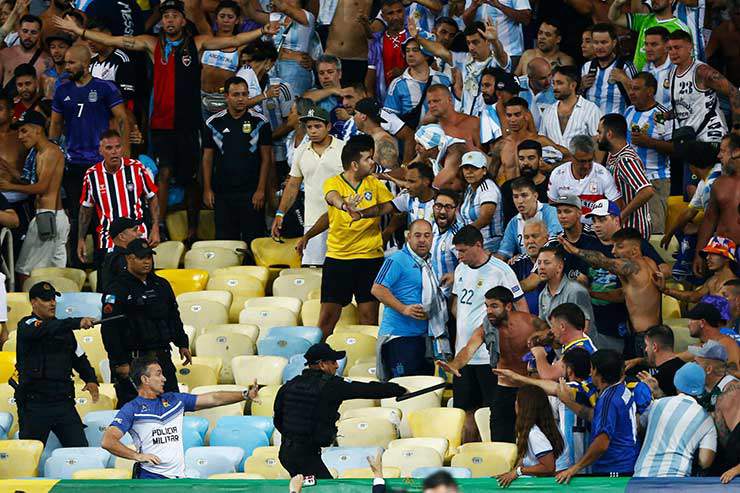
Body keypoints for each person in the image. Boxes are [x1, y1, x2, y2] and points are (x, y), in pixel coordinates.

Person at [54, 0, 278, 243]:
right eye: (166, 16)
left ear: (183, 20)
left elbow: (233, 42)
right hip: (161, 123)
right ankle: (157, 226)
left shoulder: (197, 42)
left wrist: (262, 31)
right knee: (163, 173)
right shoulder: (152, 44)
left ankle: (192, 230)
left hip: (190, 122)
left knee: (191, 178)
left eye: (174, 16)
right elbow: (115, 40)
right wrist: (79, 32)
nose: (169, 20)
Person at [102, 357, 260, 479]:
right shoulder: (132, 409)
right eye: (158, 374)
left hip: (178, 478)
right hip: (150, 480)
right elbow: (108, 441)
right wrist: (137, 456)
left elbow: (214, 398)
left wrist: (245, 394)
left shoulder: (175, 400)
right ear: (145, 380)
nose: (164, 378)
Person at [274, 342, 407, 478]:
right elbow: (367, 390)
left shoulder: (289, 385)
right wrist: (399, 389)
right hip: (306, 454)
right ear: (322, 365)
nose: (337, 365)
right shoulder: (331, 385)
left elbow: (278, 419)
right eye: (333, 362)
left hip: (286, 452)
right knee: (326, 489)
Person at [308, 135, 394, 337]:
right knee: (327, 318)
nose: (373, 162)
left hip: (370, 258)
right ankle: (319, 361)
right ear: (354, 165)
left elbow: (392, 207)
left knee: (368, 317)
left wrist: (387, 231)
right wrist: (346, 206)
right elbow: (332, 200)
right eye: (368, 159)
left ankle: (368, 363)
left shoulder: (374, 183)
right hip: (338, 259)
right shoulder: (333, 183)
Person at [449, 226, 527, 442]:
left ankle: (497, 457)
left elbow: (520, 306)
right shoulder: (460, 270)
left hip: (491, 358)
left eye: (463, 251)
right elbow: (457, 307)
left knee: (493, 412)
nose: (459, 256)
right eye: (457, 251)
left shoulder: (500, 271)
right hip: (464, 357)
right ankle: (473, 461)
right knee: (465, 412)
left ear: (478, 245)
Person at [437, 286, 542, 443]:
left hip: (528, 386)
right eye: (486, 306)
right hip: (503, 388)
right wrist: (455, 364)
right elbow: (468, 349)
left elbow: (553, 337)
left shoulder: (530, 322)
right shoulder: (485, 328)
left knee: (533, 439)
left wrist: (539, 348)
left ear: (508, 306)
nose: (488, 311)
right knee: (500, 441)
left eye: (494, 306)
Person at [101, 239, 192, 407]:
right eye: (142, 258)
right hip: (134, 359)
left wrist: (182, 343)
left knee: (171, 405)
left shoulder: (161, 285)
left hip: (162, 356)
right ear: (129, 258)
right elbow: (110, 329)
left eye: (149, 257)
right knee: (136, 410)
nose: (147, 262)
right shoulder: (117, 288)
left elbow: (173, 316)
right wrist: (120, 362)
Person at [15, 281, 98, 447]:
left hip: (63, 403)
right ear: (33, 302)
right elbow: (45, 328)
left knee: (80, 450)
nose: (52, 303)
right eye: (46, 300)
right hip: (35, 405)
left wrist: (90, 379)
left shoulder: (63, 330)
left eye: (53, 299)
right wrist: (77, 322)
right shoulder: (26, 325)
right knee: (30, 453)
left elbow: (79, 356)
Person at [560, 226, 661, 357]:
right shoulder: (649, 263)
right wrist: (591, 293)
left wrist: (575, 251)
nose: (613, 251)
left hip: (644, 338)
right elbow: (623, 294)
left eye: (619, 247)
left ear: (635, 250)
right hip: (645, 335)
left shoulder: (634, 267)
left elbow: (602, 261)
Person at [494, 348, 597, 471]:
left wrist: (516, 377)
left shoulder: (569, 389)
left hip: (571, 459)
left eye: (562, 366)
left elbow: (552, 388)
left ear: (569, 370)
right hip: (587, 455)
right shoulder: (592, 389)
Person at [203, 76, 272, 244]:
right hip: (223, 193)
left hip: (251, 194)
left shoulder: (260, 122)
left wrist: (261, 190)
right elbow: (207, 159)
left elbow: (266, 159)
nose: (241, 98)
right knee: (226, 244)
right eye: (236, 94)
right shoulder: (213, 123)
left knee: (253, 242)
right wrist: (207, 189)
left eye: (244, 94)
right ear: (226, 96)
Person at [273, 106, 344, 266]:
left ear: (328, 127)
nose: (312, 131)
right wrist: (280, 213)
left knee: (339, 269)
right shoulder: (301, 151)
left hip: (342, 221)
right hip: (312, 221)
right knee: (313, 270)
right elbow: (292, 186)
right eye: (309, 127)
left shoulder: (344, 149)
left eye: (317, 126)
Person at [2, 111, 67, 285]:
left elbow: (42, 187)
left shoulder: (51, 152)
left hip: (49, 217)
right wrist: (6, 166)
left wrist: (10, 187)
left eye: (24, 131)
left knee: (25, 271)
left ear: (37, 130)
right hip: (45, 216)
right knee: (52, 274)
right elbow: (27, 181)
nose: (20, 137)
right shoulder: (39, 154)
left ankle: (31, 308)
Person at [555, 349, 639, 483]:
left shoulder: (608, 400)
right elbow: (595, 416)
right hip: (627, 466)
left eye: (592, 368)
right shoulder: (621, 390)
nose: (590, 372)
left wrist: (575, 467)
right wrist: (568, 402)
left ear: (597, 372)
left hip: (613, 471)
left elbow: (602, 443)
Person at [77, 130, 158, 267]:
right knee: (109, 284)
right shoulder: (91, 175)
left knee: (141, 279)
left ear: (122, 148)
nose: (114, 152)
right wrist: (81, 238)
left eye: (118, 147)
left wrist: (155, 227)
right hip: (107, 239)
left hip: (138, 235)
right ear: (100, 150)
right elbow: (86, 210)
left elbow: (152, 197)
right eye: (109, 148)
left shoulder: (136, 168)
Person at [372, 219, 439, 379]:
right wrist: (404, 308)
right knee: (404, 390)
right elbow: (377, 289)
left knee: (424, 390)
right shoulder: (397, 259)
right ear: (408, 237)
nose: (422, 240)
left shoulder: (431, 261)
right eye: (417, 235)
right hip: (399, 337)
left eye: (427, 235)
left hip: (423, 337)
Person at [634, 362, 717, 477]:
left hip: (641, 477)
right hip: (677, 482)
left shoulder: (656, 405)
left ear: (676, 383)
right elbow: (705, 461)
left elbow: (638, 428)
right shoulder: (706, 420)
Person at [411, 19, 509, 115]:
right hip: (467, 121)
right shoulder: (463, 60)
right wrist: (417, 37)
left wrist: (495, 41)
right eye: (468, 43)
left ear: (487, 41)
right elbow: (440, 51)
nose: (471, 47)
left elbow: (501, 56)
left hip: (490, 122)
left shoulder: (496, 62)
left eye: (475, 42)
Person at [667, 29, 735, 145]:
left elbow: (734, 92)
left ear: (690, 48)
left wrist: (737, 127)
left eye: (677, 47)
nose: (673, 52)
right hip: (691, 138)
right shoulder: (672, 73)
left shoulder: (702, 71)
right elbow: (687, 108)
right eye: (670, 48)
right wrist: (666, 115)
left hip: (711, 134)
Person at [624, 72, 673, 234]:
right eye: (630, 88)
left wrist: (648, 142)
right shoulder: (629, 111)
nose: (631, 92)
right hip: (631, 181)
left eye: (636, 89)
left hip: (655, 180)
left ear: (650, 91)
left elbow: (674, 148)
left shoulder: (661, 115)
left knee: (654, 230)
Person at [496, 385, 567, 487]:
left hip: (550, 485)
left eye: (517, 400)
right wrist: (511, 472)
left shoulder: (535, 434)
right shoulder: (531, 429)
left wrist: (518, 472)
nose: (515, 403)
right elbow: (525, 459)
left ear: (524, 406)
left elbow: (548, 467)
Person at [597, 113, 655, 239]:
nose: (597, 137)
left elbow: (647, 191)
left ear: (609, 134)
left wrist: (622, 215)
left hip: (633, 230)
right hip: (621, 231)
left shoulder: (626, 159)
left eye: (600, 132)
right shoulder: (613, 155)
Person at [694, 135, 740, 273]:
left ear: (737, 152)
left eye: (722, 151)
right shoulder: (719, 183)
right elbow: (709, 220)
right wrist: (699, 253)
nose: (719, 156)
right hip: (721, 252)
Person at [383, 37, 451, 127]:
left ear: (427, 55)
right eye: (407, 51)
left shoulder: (443, 79)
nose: (410, 54)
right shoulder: (398, 84)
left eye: (415, 50)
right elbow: (388, 116)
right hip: (413, 138)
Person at [546, 135, 621, 217]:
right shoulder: (557, 174)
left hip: (595, 227)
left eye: (590, 160)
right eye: (582, 161)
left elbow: (618, 207)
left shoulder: (603, 174)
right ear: (571, 157)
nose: (586, 166)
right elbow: (552, 207)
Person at [609, 0, 689, 71]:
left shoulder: (680, 28)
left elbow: (686, 60)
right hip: (638, 79)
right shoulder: (644, 20)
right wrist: (617, 3)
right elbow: (614, 18)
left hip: (663, 80)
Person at [656, 236, 738, 304]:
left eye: (713, 254)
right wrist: (666, 290)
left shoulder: (735, 285)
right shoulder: (712, 281)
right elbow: (694, 296)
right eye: (707, 254)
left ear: (727, 258)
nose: (707, 258)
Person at [530, 302, 597, 381]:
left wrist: (539, 353)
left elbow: (548, 375)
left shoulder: (579, 350)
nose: (552, 330)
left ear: (562, 326)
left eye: (553, 326)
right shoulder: (581, 340)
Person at [579, 24, 636, 115]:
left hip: (617, 125)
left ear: (614, 43)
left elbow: (640, 100)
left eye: (604, 42)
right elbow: (579, 101)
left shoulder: (626, 67)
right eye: (596, 42)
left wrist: (625, 80)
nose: (599, 47)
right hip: (590, 125)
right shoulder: (587, 67)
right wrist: (581, 87)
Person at [498, 178, 561, 260]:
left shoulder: (551, 212)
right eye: (516, 197)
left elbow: (554, 243)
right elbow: (504, 252)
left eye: (524, 195)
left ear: (535, 196)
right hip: (526, 267)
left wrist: (521, 257)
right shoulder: (513, 223)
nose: (520, 201)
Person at [540, 65, 602, 148]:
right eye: (553, 83)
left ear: (573, 85)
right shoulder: (547, 112)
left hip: (581, 160)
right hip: (551, 160)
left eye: (559, 83)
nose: (555, 88)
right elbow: (542, 140)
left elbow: (599, 142)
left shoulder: (591, 110)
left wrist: (596, 161)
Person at [537, 246, 595, 325]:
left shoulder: (576, 291)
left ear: (560, 267)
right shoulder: (542, 295)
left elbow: (584, 327)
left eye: (547, 263)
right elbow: (544, 325)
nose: (541, 267)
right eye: (539, 263)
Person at [499, 140, 554, 224]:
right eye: (521, 158)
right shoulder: (508, 187)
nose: (525, 163)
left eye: (531, 158)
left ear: (540, 159)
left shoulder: (551, 185)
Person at [462, 0, 531, 65]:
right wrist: (474, 5)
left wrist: (498, 5)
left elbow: (525, 18)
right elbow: (467, 23)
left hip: (509, 54)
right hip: (481, 55)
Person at [459, 151, 503, 252]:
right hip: (473, 242)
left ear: (484, 170)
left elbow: (485, 218)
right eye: (466, 168)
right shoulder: (470, 188)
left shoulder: (488, 188)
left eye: (474, 168)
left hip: (490, 244)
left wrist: (464, 233)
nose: (469, 172)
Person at [366, 0, 409, 101]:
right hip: (385, 101)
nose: (396, 17)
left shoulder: (415, 36)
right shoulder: (377, 41)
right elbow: (370, 74)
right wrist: (371, 99)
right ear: (383, 16)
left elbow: (427, 68)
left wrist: (403, 72)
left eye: (399, 11)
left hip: (412, 98)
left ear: (404, 11)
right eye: (390, 13)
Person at [0, 14, 51, 90]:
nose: (28, 36)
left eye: (33, 32)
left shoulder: (47, 61)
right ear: (19, 31)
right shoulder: (5, 54)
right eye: (25, 31)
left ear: (39, 34)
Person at [510, 218, 550, 314]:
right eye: (526, 237)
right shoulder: (516, 263)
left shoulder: (555, 260)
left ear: (547, 238)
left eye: (535, 236)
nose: (530, 241)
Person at [684, 303, 740, 371]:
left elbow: (736, 372)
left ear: (702, 322)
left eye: (691, 320)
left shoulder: (726, 343)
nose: (688, 324)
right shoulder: (702, 345)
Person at [635, 324, 685, 397]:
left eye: (647, 345)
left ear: (655, 347)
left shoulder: (656, 381)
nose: (646, 349)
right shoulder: (684, 367)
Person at [425, 84, 481, 149]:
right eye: (429, 102)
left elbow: (485, 152)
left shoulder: (472, 123)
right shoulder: (430, 130)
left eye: (436, 101)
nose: (432, 105)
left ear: (450, 100)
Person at [96, 217, 142, 294]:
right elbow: (108, 293)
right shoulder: (112, 261)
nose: (140, 233)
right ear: (122, 236)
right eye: (135, 230)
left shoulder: (143, 255)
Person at [414, 123, 466, 191]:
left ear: (435, 145)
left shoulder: (454, 151)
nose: (416, 148)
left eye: (421, 145)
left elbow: (442, 183)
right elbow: (408, 170)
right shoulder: (433, 153)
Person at [429, 189, 461, 295]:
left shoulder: (459, 235)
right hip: (434, 294)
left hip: (451, 296)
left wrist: (455, 275)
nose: (442, 211)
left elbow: (470, 265)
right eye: (438, 206)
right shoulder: (432, 228)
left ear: (456, 210)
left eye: (448, 207)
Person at [353, 97, 399, 170]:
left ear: (363, 116)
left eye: (355, 114)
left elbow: (392, 172)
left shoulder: (384, 140)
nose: (353, 117)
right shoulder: (370, 137)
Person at [516, 57, 557, 129]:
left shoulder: (556, 89)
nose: (548, 81)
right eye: (543, 78)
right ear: (530, 77)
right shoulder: (517, 85)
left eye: (550, 75)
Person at [642, 26, 674, 109]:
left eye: (654, 44)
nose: (648, 49)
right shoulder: (645, 69)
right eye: (646, 44)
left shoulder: (677, 69)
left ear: (667, 46)